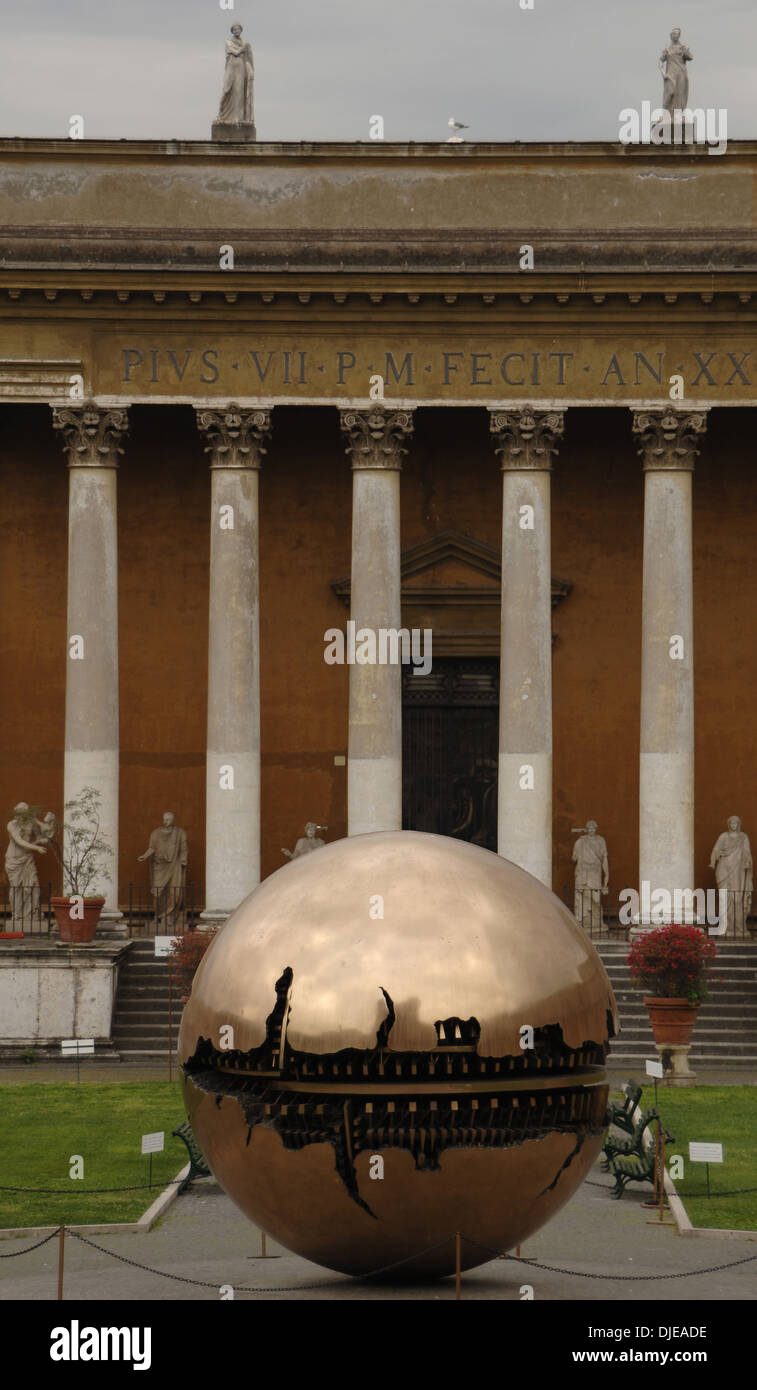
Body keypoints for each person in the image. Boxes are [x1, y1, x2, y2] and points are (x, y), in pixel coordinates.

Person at [138, 812, 188, 929]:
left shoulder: (180, 833)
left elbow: (184, 849)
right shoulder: (155, 833)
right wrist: (144, 856)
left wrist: (183, 859)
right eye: (164, 819)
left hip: (174, 864)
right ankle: (158, 916)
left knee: (173, 892)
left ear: (173, 820)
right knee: (158, 892)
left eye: (168, 820)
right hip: (160, 866)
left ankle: (170, 916)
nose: (166, 822)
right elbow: (152, 848)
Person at [5, 802, 47, 931]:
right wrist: (36, 847)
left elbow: (40, 834)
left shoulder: (31, 822)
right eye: (22, 812)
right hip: (14, 860)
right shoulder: (12, 825)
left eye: (27, 812)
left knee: (33, 885)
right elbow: (19, 841)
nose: (24, 815)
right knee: (17, 888)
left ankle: (32, 914)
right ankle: (17, 916)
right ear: (17, 813)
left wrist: (41, 835)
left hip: (28, 859)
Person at [710, 816, 753, 937]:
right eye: (731, 823)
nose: (733, 825)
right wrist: (713, 860)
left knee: (737, 897)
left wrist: (747, 861)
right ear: (729, 824)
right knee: (725, 897)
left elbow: (747, 852)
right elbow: (716, 849)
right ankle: (724, 927)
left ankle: (739, 928)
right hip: (724, 868)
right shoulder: (723, 836)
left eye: (736, 823)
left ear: (739, 824)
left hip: (738, 870)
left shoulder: (743, 837)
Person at [571, 820, 609, 933]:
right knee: (581, 897)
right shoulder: (580, 842)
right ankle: (582, 921)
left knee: (596, 899)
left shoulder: (601, 841)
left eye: (593, 828)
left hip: (595, 872)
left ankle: (597, 922)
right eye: (589, 828)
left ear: (596, 829)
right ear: (586, 829)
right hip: (582, 873)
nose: (591, 830)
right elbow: (574, 858)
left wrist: (606, 876)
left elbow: (604, 859)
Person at [217, 23, 254, 125]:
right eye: (234, 29)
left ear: (241, 30)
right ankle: (221, 115)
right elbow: (236, 52)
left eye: (238, 29)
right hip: (231, 67)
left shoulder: (244, 43)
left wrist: (250, 71)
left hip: (241, 68)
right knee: (226, 90)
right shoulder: (229, 42)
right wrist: (244, 48)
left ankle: (238, 118)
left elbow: (248, 59)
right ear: (232, 31)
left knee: (239, 92)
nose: (236, 30)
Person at [659, 28, 693, 114]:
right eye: (673, 34)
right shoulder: (667, 49)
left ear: (679, 36)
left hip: (681, 73)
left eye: (677, 34)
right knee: (670, 92)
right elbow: (660, 60)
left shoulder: (682, 48)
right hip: (670, 73)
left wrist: (686, 50)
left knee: (680, 94)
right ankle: (663, 113)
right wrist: (663, 73)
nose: (675, 36)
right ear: (671, 35)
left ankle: (679, 114)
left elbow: (690, 57)